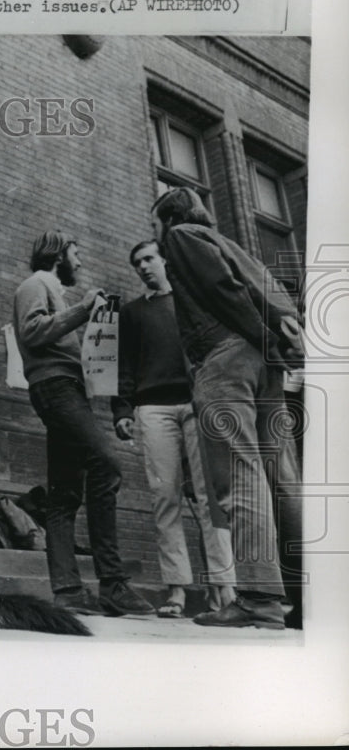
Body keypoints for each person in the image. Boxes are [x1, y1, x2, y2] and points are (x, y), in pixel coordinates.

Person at [152, 187, 304, 629]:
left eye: (155, 225)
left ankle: (258, 598)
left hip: (225, 357)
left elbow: (223, 288)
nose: (158, 236)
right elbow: (270, 294)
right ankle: (306, 599)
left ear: (168, 218)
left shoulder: (181, 235)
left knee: (240, 474)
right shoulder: (230, 242)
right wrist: (274, 340)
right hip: (266, 365)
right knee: (284, 478)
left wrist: (257, 334)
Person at [13, 231, 154, 616]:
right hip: (57, 389)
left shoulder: (49, 288)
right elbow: (32, 331)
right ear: (58, 254)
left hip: (68, 389)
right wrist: (83, 308)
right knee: (106, 466)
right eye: (76, 254)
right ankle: (112, 583)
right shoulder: (35, 283)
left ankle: (69, 591)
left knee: (64, 494)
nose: (80, 262)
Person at [111, 240, 236, 618]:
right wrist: (121, 409)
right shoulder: (132, 313)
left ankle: (223, 589)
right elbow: (123, 364)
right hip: (153, 408)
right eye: (137, 263)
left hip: (198, 406)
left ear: (165, 260)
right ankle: (177, 591)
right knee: (164, 496)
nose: (144, 267)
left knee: (210, 498)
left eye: (149, 259)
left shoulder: (191, 303)